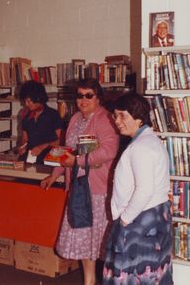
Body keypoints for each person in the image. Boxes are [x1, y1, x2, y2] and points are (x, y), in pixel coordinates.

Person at [41, 78, 120, 285]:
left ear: (98, 97)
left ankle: (96, 280)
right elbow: (67, 153)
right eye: (79, 95)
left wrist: (78, 160)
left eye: (88, 95)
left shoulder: (105, 119)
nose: (83, 100)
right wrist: (55, 174)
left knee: (98, 240)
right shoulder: (75, 119)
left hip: (97, 189)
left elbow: (109, 150)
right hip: (78, 188)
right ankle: (89, 280)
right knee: (86, 240)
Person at [103, 93, 172, 284]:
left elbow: (144, 190)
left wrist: (125, 219)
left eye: (122, 116)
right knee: (153, 274)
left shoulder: (142, 147)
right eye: (115, 115)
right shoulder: (149, 141)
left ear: (139, 117)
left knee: (134, 275)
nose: (117, 121)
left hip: (141, 220)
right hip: (152, 217)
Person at [17, 80, 62, 163]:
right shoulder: (26, 116)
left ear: (38, 98)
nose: (26, 104)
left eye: (29, 101)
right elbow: (24, 139)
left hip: (50, 160)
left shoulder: (53, 115)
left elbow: (60, 141)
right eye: (25, 101)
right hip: (31, 159)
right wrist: (21, 146)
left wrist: (43, 146)